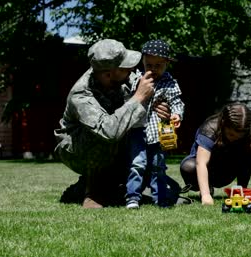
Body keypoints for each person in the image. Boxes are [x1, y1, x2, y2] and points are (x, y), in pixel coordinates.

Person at [54, 39, 171, 209]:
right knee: (106, 132)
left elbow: (143, 101)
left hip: (114, 142)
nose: (131, 69)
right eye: (125, 67)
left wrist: (159, 107)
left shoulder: (122, 78)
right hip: (78, 149)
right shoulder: (81, 95)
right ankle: (93, 191)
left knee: (144, 159)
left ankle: (105, 188)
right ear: (109, 74)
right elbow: (108, 131)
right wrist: (138, 98)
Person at [125, 40, 184, 209]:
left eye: (158, 65)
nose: (153, 69)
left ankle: (160, 199)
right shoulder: (136, 79)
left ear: (167, 64)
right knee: (137, 163)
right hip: (138, 130)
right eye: (148, 64)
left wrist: (176, 115)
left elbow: (177, 103)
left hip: (161, 131)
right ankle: (132, 198)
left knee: (159, 166)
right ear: (142, 62)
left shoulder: (170, 83)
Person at [180, 102, 251, 205]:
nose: (234, 139)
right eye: (231, 134)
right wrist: (205, 195)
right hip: (205, 170)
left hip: (227, 170)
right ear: (223, 123)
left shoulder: (247, 133)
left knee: (249, 152)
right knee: (188, 166)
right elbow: (201, 163)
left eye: (239, 136)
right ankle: (207, 188)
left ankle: (241, 190)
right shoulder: (210, 129)